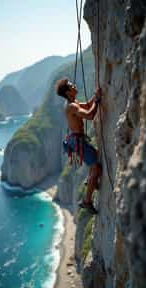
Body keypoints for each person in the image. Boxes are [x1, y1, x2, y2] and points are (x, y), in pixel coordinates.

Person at [55, 78, 102, 214]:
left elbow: (87, 105)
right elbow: (90, 115)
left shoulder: (73, 103)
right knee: (96, 167)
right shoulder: (71, 107)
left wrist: (95, 96)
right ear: (69, 93)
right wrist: (98, 101)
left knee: (97, 156)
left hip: (76, 140)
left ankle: (90, 179)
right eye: (71, 85)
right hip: (78, 141)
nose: (74, 85)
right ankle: (86, 201)